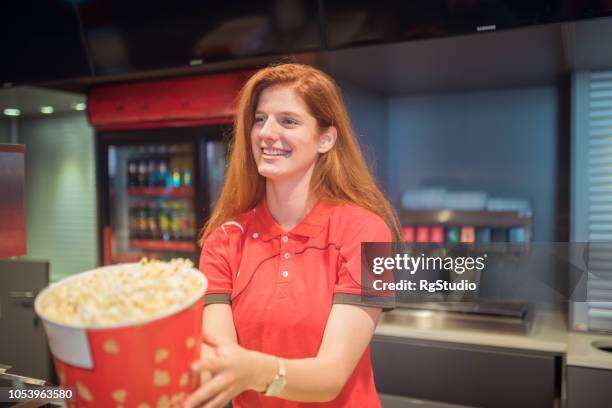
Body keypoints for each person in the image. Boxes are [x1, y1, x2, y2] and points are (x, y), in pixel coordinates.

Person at [184, 63, 401, 408]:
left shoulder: (368, 232)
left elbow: (331, 376)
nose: (266, 133)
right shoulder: (223, 241)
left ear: (326, 138)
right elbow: (220, 361)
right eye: (260, 119)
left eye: (288, 121)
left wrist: (253, 370)